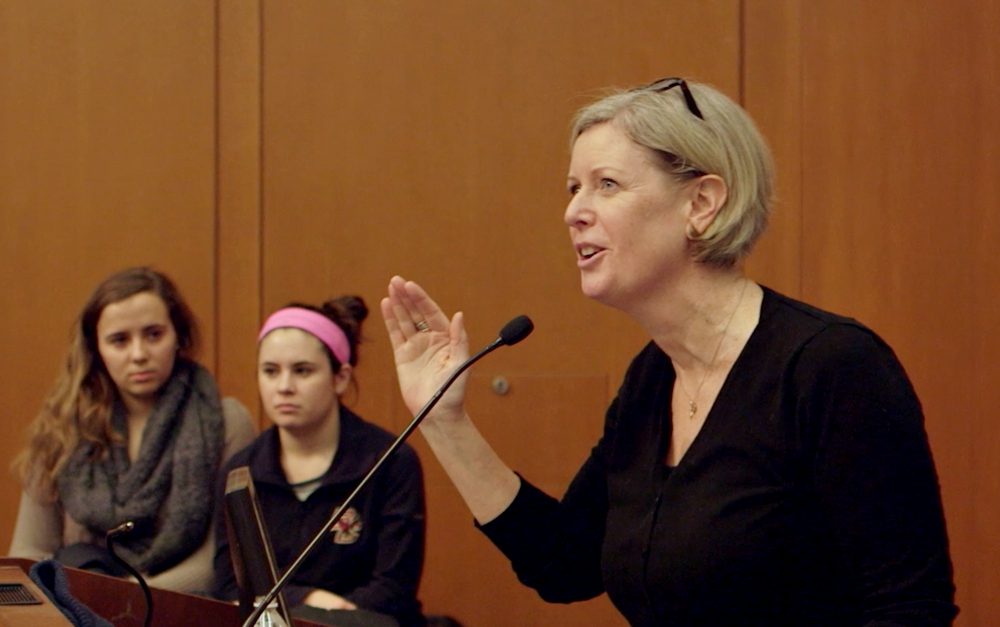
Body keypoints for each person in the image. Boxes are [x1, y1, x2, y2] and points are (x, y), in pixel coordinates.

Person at [380, 78, 958, 626]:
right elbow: (565, 564)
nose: (573, 210)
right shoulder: (651, 381)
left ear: (701, 203)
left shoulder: (831, 367)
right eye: (573, 187)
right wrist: (446, 422)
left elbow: (910, 607)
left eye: (606, 184)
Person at [9, 266, 256, 594]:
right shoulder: (60, 428)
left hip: (186, 611)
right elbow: (28, 555)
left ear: (178, 336)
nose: (139, 354)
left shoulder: (228, 423)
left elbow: (224, 560)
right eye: (119, 340)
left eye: (154, 335)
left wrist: (130, 601)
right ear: (95, 348)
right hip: (78, 606)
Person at [213, 296, 426, 627]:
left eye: (302, 371)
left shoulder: (390, 460)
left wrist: (315, 615)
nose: (284, 387)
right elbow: (229, 584)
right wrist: (311, 601)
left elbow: (393, 590)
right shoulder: (241, 470)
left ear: (340, 378)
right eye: (270, 371)